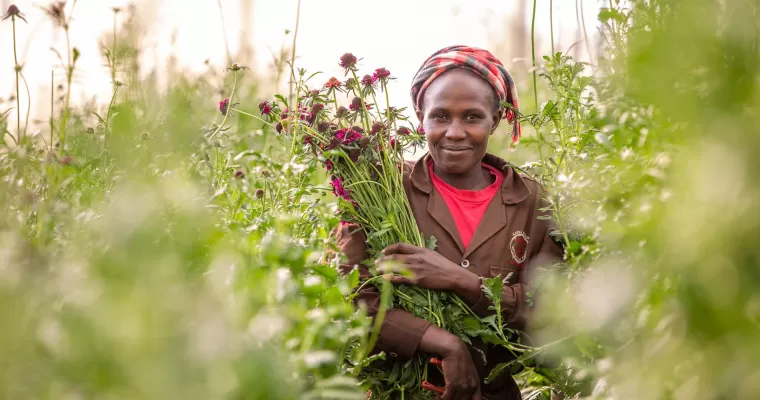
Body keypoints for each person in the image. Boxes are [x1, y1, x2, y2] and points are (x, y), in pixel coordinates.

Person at [334, 45, 565, 400]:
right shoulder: (379, 188)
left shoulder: (534, 203)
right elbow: (350, 297)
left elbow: (550, 309)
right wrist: (446, 344)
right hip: (394, 391)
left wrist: (464, 282)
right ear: (419, 118)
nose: (455, 132)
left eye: (472, 117)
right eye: (440, 116)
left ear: (496, 119)